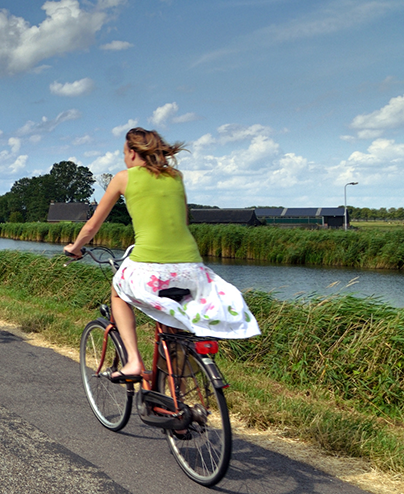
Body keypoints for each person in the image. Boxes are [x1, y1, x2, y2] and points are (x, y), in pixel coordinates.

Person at [64, 127, 260, 383]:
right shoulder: (175, 176)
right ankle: (178, 399)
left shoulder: (123, 178)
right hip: (193, 269)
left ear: (133, 153)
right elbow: (183, 220)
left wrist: (75, 247)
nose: (124, 158)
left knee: (117, 291)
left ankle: (134, 362)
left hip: (151, 267)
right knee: (174, 326)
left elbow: (91, 226)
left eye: (124, 153)